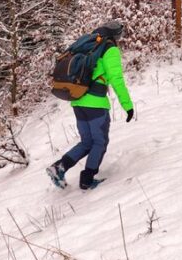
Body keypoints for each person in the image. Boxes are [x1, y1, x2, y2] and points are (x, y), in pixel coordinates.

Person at [46, 20, 134, 190]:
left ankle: (59, 167)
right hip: (96, 103)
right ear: (116, 36)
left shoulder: (89, 44)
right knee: (99, 142)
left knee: (87, 142)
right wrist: (127, 105)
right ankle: (87, 179)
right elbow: (116, 79)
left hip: (77, 99)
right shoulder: (109, 49)